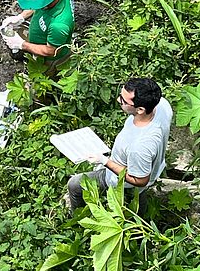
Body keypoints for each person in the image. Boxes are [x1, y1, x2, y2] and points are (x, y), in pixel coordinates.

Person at [66, 78, 173, 214]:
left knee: (75, 185)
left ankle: (79, 220)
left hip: (124, 185)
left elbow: (140, 180)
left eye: (123, 100)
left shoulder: (140, 146)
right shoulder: (162, 105)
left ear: (140, 109)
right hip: (149, 167)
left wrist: (104, 161)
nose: (118, 100)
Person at [1, 0, 74, 69]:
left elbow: (51, 51)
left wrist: (22, 45)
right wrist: (21, 17)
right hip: (41, 34)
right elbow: (39, 4)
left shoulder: (59, 25)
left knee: (46, 72)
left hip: (50, 58)